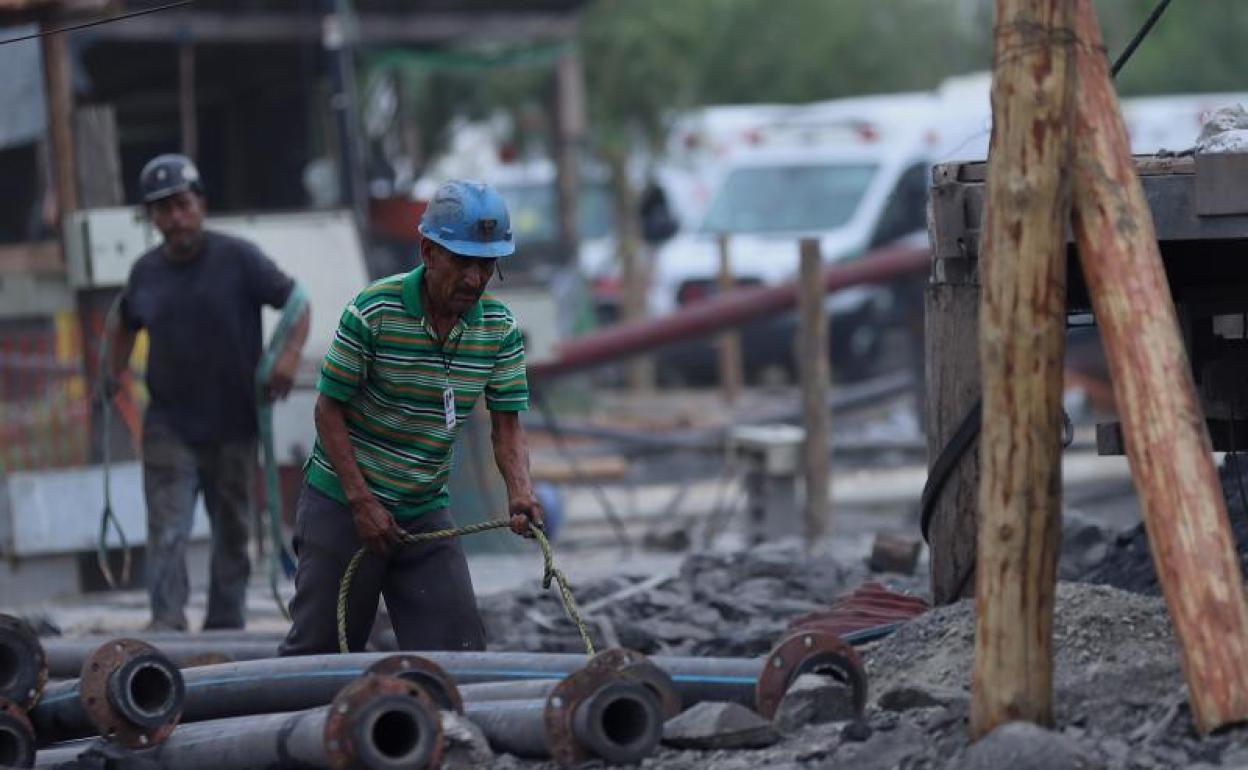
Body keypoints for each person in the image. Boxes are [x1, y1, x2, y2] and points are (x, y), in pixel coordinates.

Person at [280, 180, 542, 655]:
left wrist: (521, 493)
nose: (474, 280)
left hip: (423, 508)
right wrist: (362, 503)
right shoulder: (373, 312)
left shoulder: (499, 329)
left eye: (486, 265)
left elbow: (507, 428)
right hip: (343, 502)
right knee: (319, 656)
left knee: (460, 653)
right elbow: (327, 411)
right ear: (427, 251)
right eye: (462, 262)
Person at [106, 153, 311, 631]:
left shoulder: (238, 258)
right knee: (168, 532)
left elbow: (297, 301)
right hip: (170, 425)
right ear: (151, 218)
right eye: (163, 209)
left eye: (182, 204)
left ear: (201, 203)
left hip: (234, 423)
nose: (175, 218)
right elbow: (123, 322)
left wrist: (286, 356)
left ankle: (225, 627)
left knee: (232, 533)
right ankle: (167, 625)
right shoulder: (146, 272)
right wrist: (110, 374)